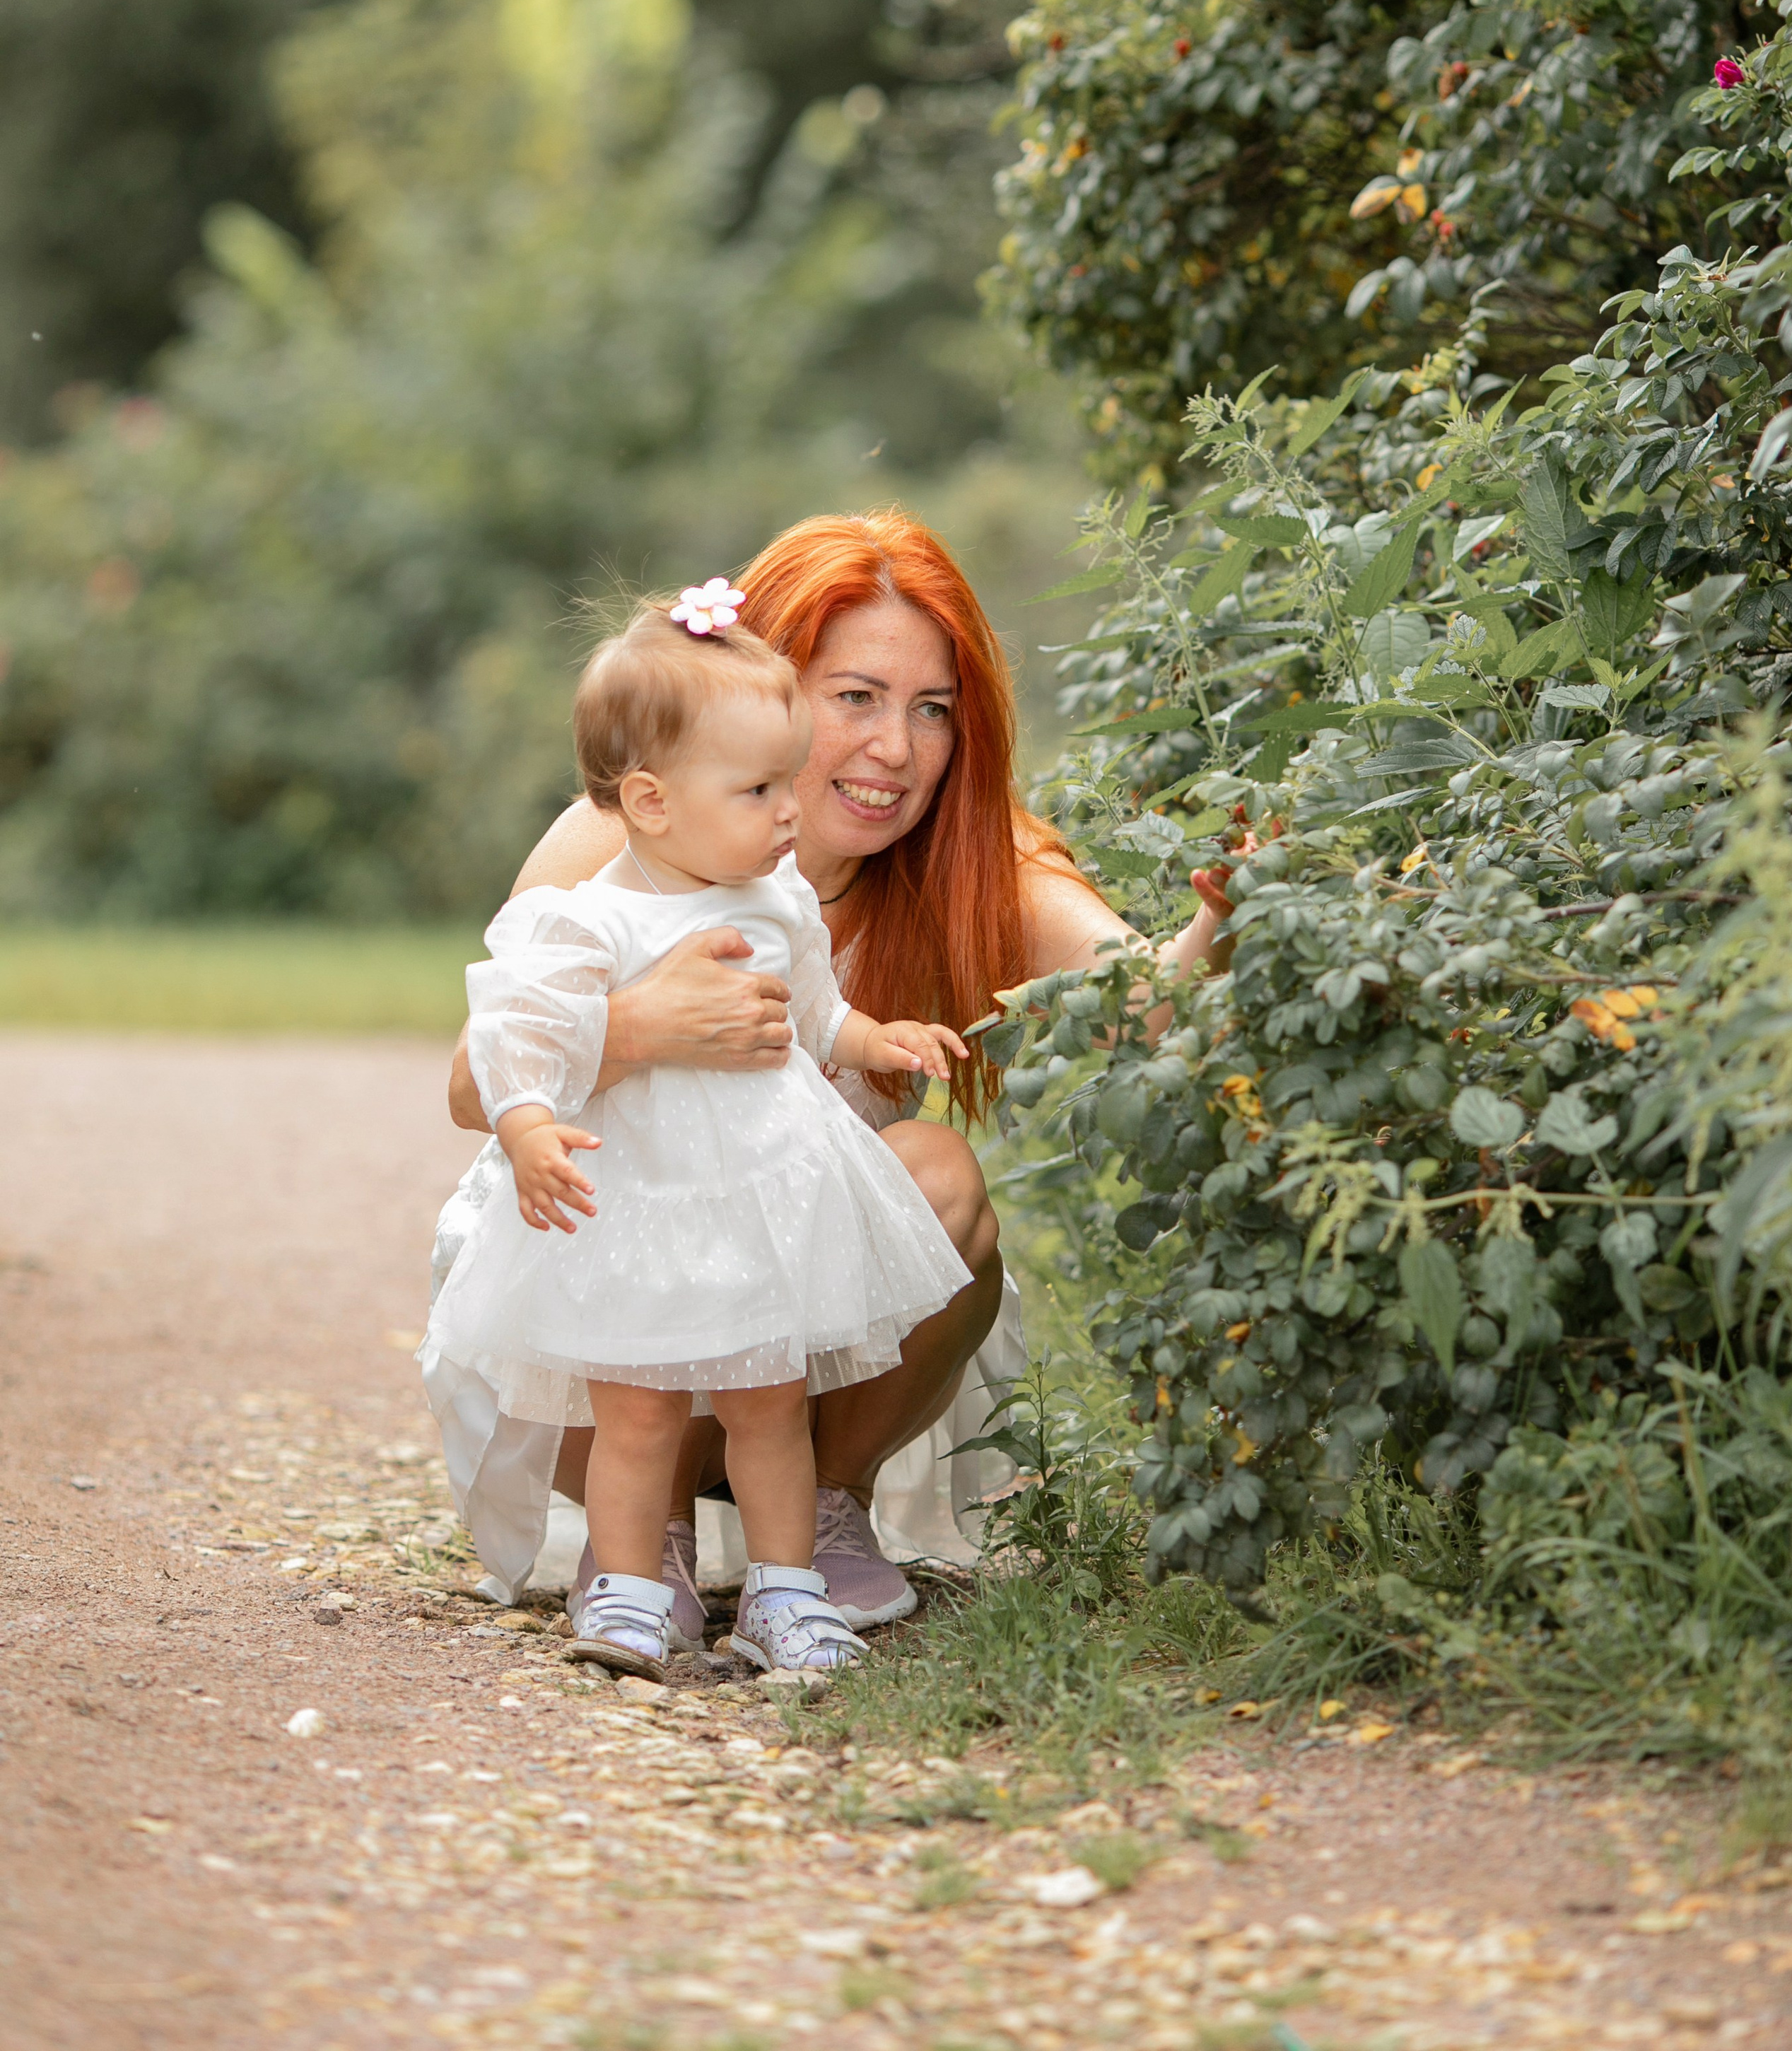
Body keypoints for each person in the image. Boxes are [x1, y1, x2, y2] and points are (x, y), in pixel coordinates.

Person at [433, 508, 1226, 1634]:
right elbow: (473, 1082)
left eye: (932, 710)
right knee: (632, 1338)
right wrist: (641, 1026)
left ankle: (820, 1519)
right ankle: (639, 1536)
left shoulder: (971, 864)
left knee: (941, 1171)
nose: (896, 750)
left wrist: (1229, 924)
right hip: (607, 1313)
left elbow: (1145, 1002)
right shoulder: (621, 843)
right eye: (855, 697)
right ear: (765, 688)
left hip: (787, 1342)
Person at [424, 587, 974, 1678]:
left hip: (762, 1195)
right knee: (639, 1412)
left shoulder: (774, 901)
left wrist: (878, 1040)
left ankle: (786, 1594)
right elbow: (515, 1043)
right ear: (653, 800)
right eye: (761, 787)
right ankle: (629, 1592)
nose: (789, 812)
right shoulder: (591, 917)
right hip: (640, 1201)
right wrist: (531, 1131)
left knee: (772, 1406)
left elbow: (816, 1011)